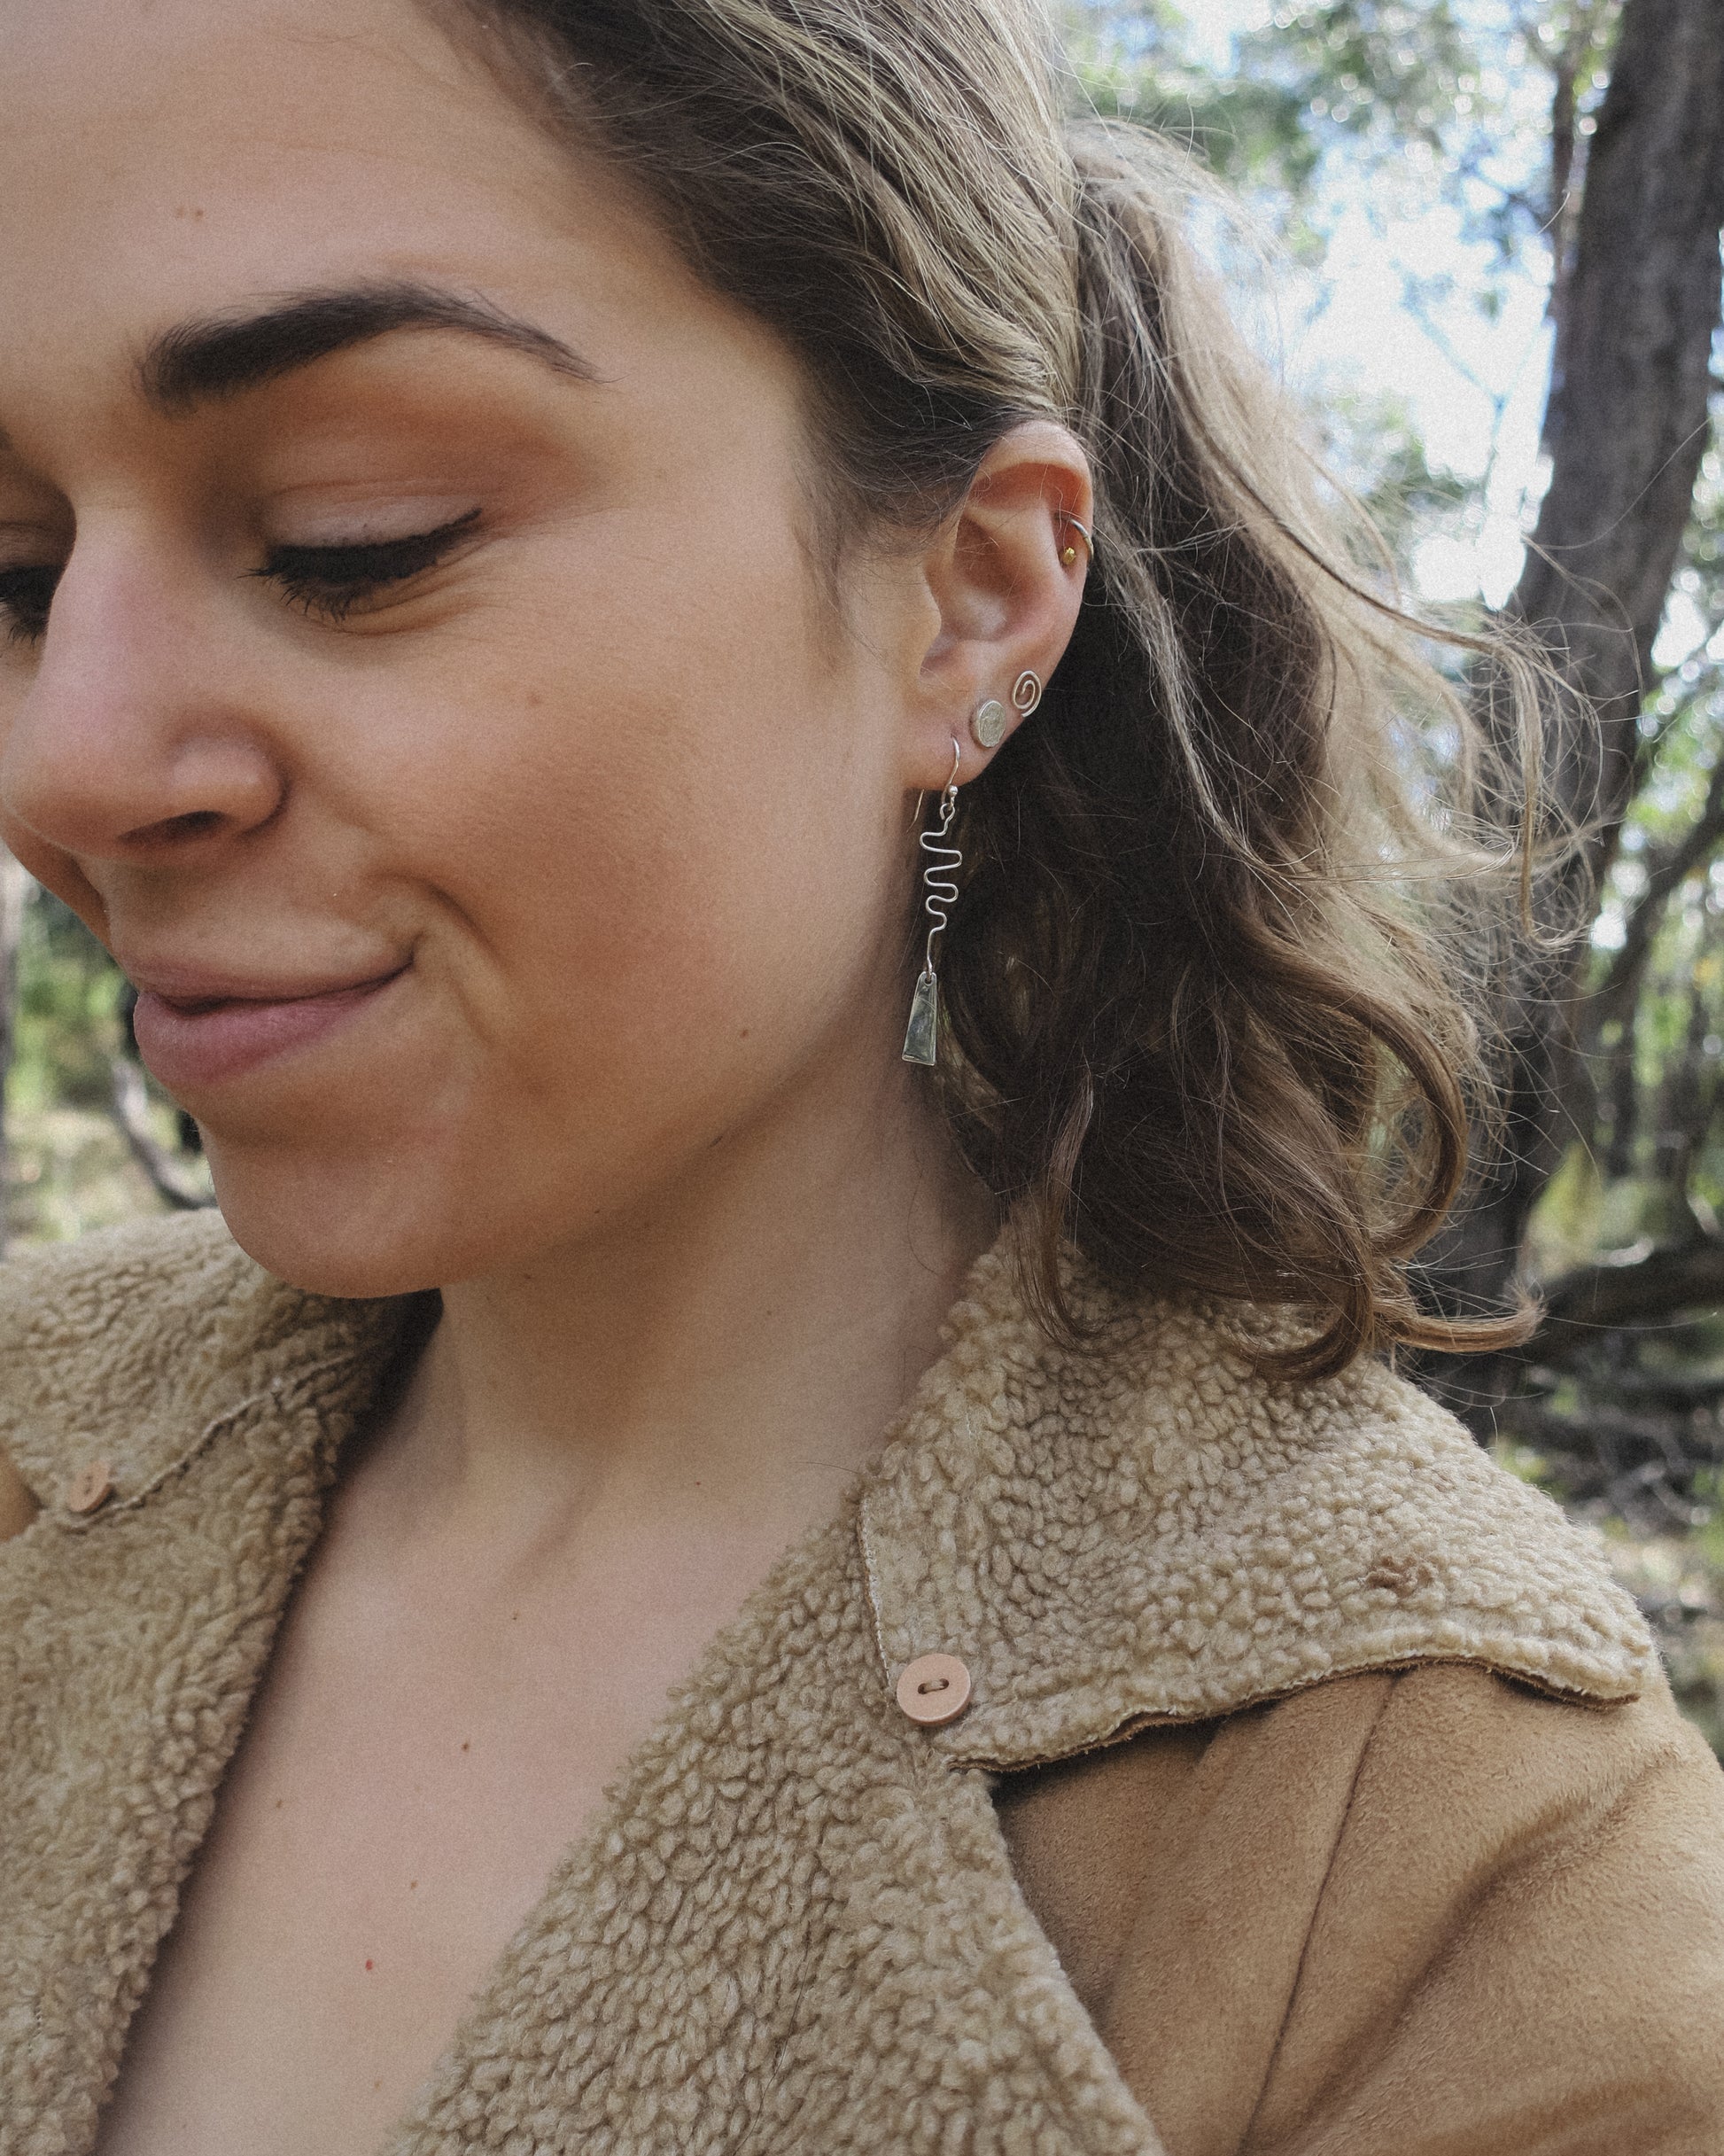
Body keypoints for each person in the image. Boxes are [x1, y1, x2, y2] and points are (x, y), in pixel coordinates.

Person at [0, 0, 1720, 2150]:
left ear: (973, 598)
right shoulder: (28, 1436)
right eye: (21, 574)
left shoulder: (1441, 1875)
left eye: (361, 536)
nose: (64, 761)